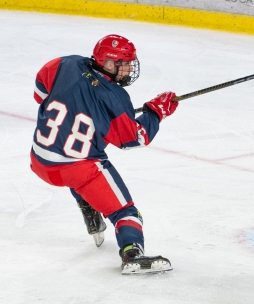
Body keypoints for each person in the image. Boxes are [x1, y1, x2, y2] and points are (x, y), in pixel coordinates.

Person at [29, 34, 178, 274]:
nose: (130, 67)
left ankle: (88, 204)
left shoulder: (63, 64)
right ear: (108, 63)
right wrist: (156, 113)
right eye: (125, 62)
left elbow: (40, 95)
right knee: (125, 212)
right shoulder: (116, 98)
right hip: (78, 170)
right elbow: (134, 138)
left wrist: (77, 104)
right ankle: (132, 253)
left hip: (39, 160)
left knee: (69, 159)